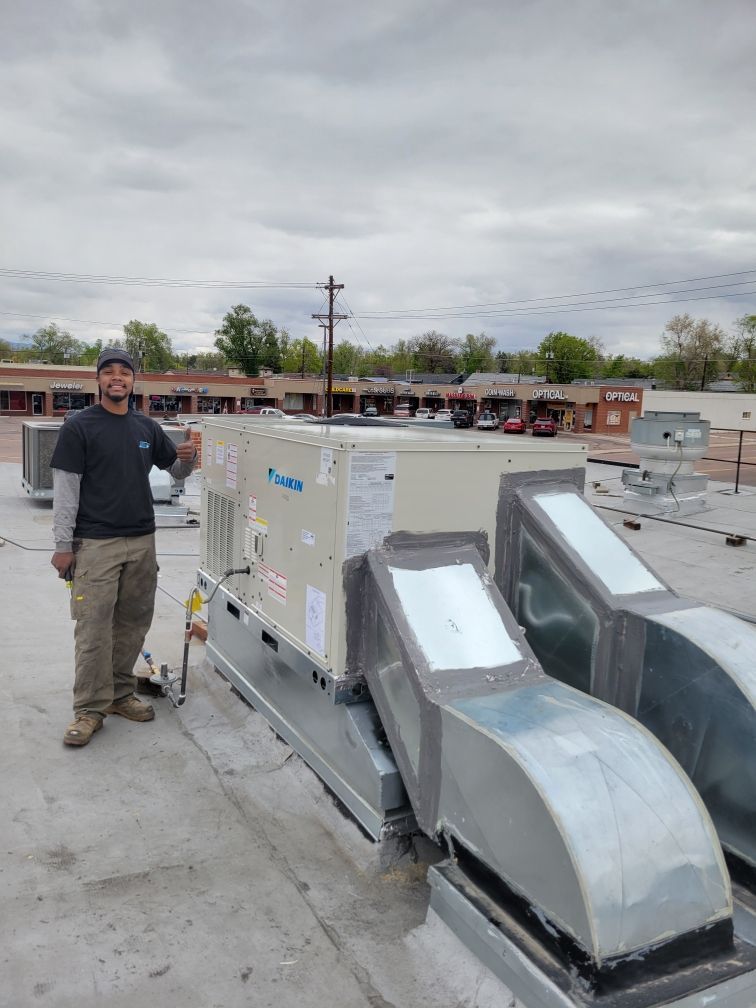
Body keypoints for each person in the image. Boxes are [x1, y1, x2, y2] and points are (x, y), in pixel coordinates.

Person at [50, 348, 198, 746]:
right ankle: (89, 709)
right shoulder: (79, 427)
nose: (118, 378)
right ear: (98, 381)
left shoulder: (146, 427)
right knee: (93, 628)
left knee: (132, 624)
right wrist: (64, 546)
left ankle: (118, 694)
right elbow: (66, 491)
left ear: (134, 381)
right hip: (95, 543)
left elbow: (177, 470)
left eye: (125, 373)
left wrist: (190, 456)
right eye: (109, 372)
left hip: (142, 541)